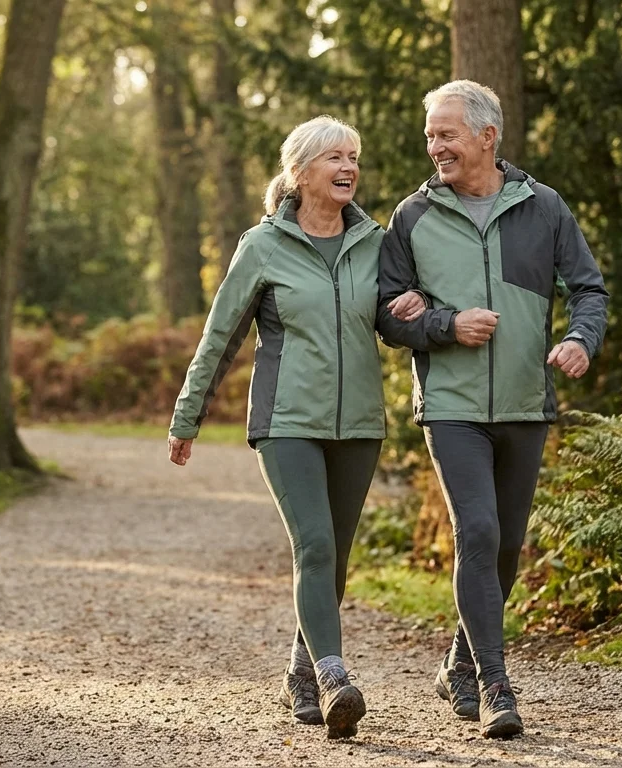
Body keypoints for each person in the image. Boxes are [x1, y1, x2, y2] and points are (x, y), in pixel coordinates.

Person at [168, 116, 422, 739]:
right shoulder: (262, 245)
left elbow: (394, 322)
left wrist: (415, 309)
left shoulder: (375, 240)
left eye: (354, 156)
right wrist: (188, 414)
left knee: (334, 557)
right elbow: (221, 336)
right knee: (313, 544)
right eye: (335, 156)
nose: (348, 167)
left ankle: (299, 672)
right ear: (300, 171)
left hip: (359, 421)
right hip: (286, 422)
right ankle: (334, 676)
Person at [377, 80, 609, 739]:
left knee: (505, 544)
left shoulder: (544, 207)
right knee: (476, 532)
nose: (435, 146)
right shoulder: (412, 216)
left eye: (446, 134)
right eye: (430, 135)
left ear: (487, 136)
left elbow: (588, 290)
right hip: (450, 405)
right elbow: (387, 315)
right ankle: (494, 685)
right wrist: (446, 324)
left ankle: (458, 660)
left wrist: (577, 339)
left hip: (523, 402)